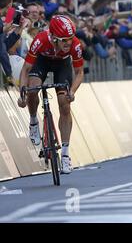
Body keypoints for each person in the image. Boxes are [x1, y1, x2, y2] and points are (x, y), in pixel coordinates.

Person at [17, 15, 84, 174]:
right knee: (33, 89)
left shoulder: (74, 45)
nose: (68, 42)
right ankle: (33, 121)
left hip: (63, 64)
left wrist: (72, 91)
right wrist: (22, 94)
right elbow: (26, 69)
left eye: (70, 38)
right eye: (64, 40)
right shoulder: (40, 40)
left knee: (64, 104)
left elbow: (79, 72)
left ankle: (66, 155)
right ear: (54, 37)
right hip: (43, 61)